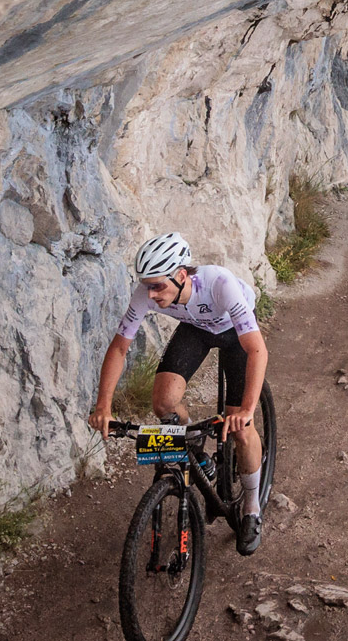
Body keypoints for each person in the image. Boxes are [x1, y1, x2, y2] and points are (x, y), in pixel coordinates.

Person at [88, 232, 269, 556]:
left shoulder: (219, 284)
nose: (151, 294)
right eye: (147, 286)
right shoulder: (148, 292)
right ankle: (195, 450)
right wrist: (104, 405)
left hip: (234, 333)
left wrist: (246, 410)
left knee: (241, 429)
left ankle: (252, 508)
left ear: (181, 275)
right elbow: (119, 348)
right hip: (196, 330)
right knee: (164, 404)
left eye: (158, 286)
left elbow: (257, 350)